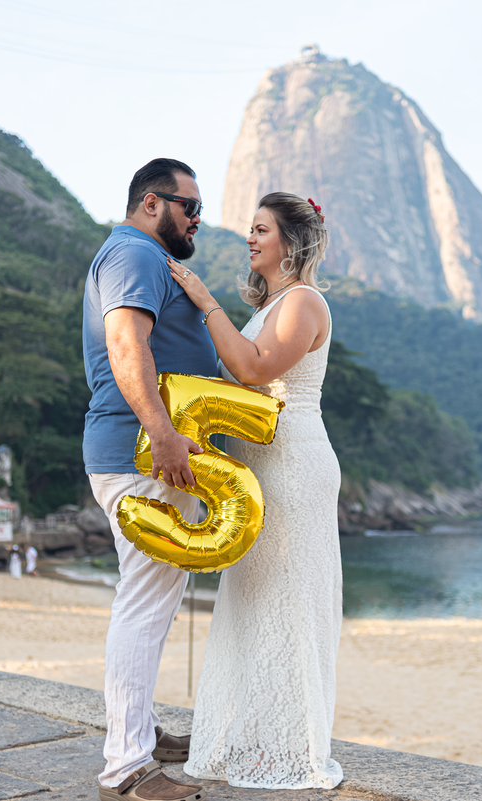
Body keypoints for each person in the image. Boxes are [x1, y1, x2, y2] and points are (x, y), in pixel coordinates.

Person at [168, 192, 343, 789]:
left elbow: (253, 370)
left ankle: (288, 749)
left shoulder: (302, 302)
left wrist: (205, 300)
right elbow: (233, 382)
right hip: (261, 465)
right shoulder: (274, 303)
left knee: (288, 598)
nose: (250, 237)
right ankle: (253, 736)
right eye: (251, 228)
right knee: (255, 595)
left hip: (293, 464)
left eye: (261, 229)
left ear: (290, 242)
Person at [83, 158, 215, 801]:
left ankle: (141, 731)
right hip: (141, 454)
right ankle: (127, 767)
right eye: (191, 207)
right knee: (144, 601)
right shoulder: (134, 255)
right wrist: (163, 434)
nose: (199, 220)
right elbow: (125, 346)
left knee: (151, 601)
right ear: (153, 203)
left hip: (141, 452)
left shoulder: (139, 255)